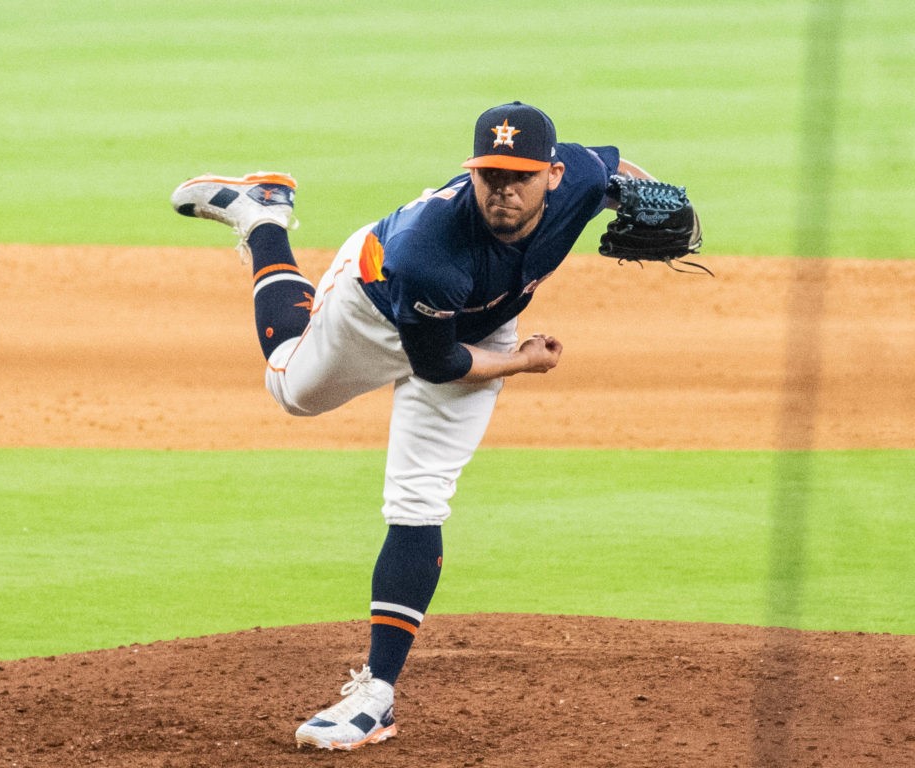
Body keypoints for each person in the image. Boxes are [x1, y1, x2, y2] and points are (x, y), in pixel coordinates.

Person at [170, 101, 665, 751]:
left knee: (419, 497)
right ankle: (264, 215)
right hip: (373, 308)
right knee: (290, 389)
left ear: (551, 175)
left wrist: (650, 196)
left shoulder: (575, 176)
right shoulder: (428, 254)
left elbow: (614, 168)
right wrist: (519, 360)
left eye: (519, 175)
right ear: (474, 172)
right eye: (490, 175)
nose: (503, 190)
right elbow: (442, 364)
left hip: (477, 321)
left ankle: (375, 697)